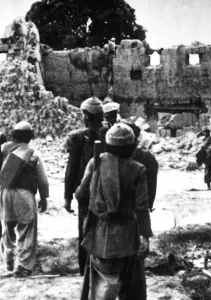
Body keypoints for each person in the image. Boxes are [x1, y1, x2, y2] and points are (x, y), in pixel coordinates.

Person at [75, 123, 152, 300]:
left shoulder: (96, 163)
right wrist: (145, 238)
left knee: (102, 291)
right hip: (128, 239)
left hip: (101, 238)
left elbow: (80, 195)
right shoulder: (137, 169)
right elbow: (142, 208)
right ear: (131, 147)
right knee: (131, 290)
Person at [63, 97, 107, 275]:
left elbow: (72, 169)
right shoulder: (111, 134)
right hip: (107, 193)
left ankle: (86, 271)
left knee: (85, 231)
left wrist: (67, 197)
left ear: (86, 116)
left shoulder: (77, 138)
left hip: (86, 193)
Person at [0, 121, 49, 277]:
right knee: (26, 230)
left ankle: (8, 258)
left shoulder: (2, 149)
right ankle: (22, 266)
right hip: (25, 194)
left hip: (5, 192)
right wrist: (44, 197)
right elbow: (42, 180)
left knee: (8, 227)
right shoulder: (32, 152)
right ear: (29, 136)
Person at [128, 123, 159, 212]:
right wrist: (149, 205)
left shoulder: (112, 157)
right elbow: (152, 185)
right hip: (141, 208)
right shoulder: (148, 156)